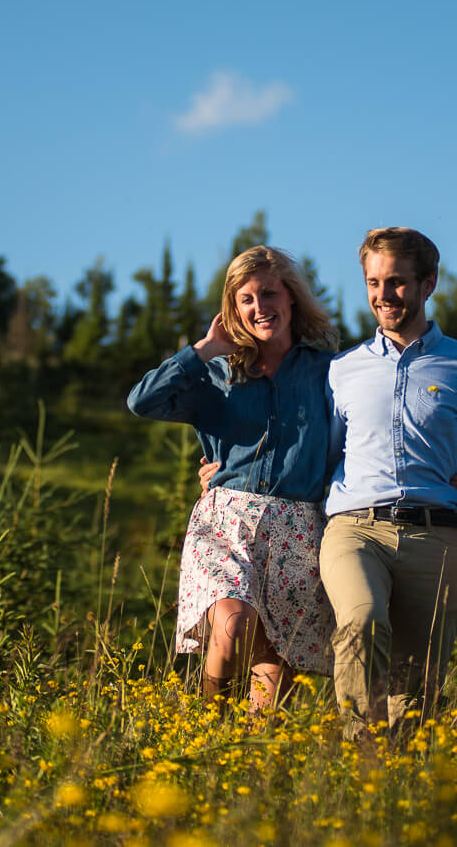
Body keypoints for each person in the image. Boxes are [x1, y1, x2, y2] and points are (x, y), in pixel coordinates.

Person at [320, 226, 457, 739]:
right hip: (355, 530)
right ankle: (361, 760)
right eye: (372, 283)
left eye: (397, 283)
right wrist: (225, 469)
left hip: (437, 536)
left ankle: (398, 789)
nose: (383, 296)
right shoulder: (342, 370)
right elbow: (317, 458)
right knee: (362, 622)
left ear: (428, 283)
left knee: (417, 690)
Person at [127, 245, 339, 712]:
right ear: (233, 308)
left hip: (299, 527)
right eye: (246, 299)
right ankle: (206, 726)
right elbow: (142, 402)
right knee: (233, 625)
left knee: (274, 661)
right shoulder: (218, 374)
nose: (259, 308)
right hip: (227, 520)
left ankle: (251, 770)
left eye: (269, 294)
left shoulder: (327, 371)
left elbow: (363, 433)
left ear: (291, 299)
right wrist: (204, 350)